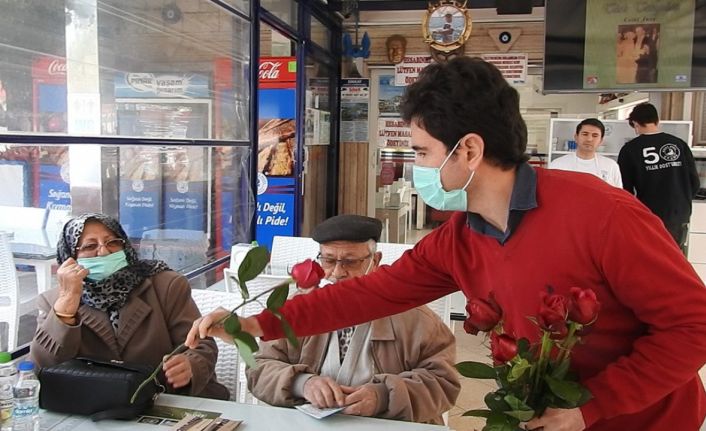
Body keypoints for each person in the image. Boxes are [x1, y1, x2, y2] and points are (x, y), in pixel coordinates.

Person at [189, 58, 706, 431]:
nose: (417, 167)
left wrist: (593, 407)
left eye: (421, 151)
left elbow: (692, 326)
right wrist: (255, 322)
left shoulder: (601, 214)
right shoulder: (461, 237)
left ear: (471, 150)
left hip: (644, 418)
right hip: (547, 414)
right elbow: (367, 295)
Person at [245, 215, 459, 424]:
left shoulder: (415, 318)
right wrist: (301, 383)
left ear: (375, 261)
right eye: (328, 260)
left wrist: (383, 396)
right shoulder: (299, 310)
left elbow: (443, 382)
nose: (337, 273)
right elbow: (258, 367)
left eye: (350, 262)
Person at [32, 213, 229, 400]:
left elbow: (202, 344)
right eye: (90, 246)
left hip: (166, 399)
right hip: (92, 406)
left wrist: (191, 364)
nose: (103, 251)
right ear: (70, 257)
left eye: (112, 242)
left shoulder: (165, 285)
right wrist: (66, 307)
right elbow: (45, 369)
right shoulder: (55, 302)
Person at [618, 102, 700, 251]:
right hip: (679, 213)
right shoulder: (679, 144)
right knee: (675, 258)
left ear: (635, 123)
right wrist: (682, 202)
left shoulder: (630, 150)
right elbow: (694, 181)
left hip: (649, 214)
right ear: (657, 121)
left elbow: (625, 189)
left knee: (651, 257)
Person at [549, 118, 622, 188]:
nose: (589, 139)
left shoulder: (611, 166)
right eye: (585, 134)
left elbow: (618, 197)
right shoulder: (558, 165)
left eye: (595, 135)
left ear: (601, 141)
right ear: (576, 137)